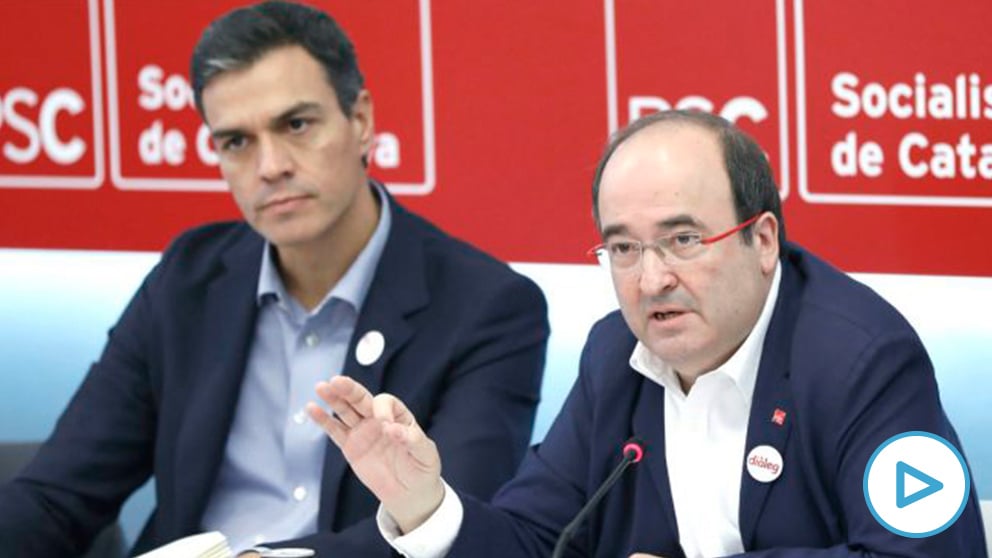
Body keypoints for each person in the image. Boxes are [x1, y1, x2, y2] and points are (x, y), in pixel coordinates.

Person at [0, 2, 549, 556]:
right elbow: (57, 495)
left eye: (296, 125)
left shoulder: (489, 308)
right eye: (236, 142)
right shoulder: (187, 279)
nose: (270, 166)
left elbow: (451, 532)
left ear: (360, 121)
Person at [310, 109, 988, 557]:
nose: (652, 278)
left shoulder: (862, 360)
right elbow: (535, 541)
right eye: (624, 249)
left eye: (683, 239)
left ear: (762, 240)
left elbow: (925, 555)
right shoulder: (615, 356)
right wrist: (423, 504)